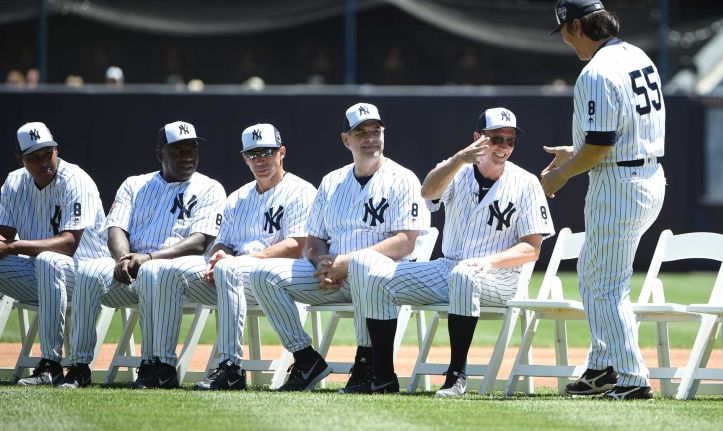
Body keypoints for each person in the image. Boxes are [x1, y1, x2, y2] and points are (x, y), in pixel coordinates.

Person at [348, 108, 554, 395]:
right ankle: (381, 376)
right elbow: (428, 192)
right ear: (477, 139)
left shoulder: (526, 182)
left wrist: (489, 262)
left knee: (464, 275)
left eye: (510, 141)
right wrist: (457, 159)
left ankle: (456, 375)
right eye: (496, 139)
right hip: (448, 267)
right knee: (377, 278)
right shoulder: (456, 170)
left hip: (501, 276)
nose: (503, 147)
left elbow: (532, 248)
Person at [248, 102, 429, 391]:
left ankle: (366, 362)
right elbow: (315, 237)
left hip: (380, 280)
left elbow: (405, 242)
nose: (370, 138)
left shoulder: (402, 178)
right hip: (332, 277)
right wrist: (321, 261)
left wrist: (346, 262)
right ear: (347, 140)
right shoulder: (332, 181)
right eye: (361, 133)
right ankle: (305, 358)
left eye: (376, 131)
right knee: (262, 274)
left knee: (364, 265)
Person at [540, 0, 666, 400]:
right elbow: (611, 135)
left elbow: (598, 145)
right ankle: (602, 365)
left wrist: (560, 174)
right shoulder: (637, 55)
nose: (563, 38)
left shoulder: (595, 71)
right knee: (596, 277)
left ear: (578, 25)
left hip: (619, 183)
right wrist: (573, 151)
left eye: (564, 30)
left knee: (606, 285)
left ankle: (631, 377)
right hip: (647, 173)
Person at [148, 123, 316, 391]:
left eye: (267, 152)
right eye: (253, 154)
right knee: (169, 271)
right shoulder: (238, 197)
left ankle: (231, 367)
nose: (260, 160)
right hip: (236, 278)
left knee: (228, 269)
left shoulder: (301, 191)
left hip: (281, 276)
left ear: (281, 152)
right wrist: (218, 255)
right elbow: (221, 241)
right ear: (244, 158)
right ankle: (162, 366)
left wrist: (235, 262)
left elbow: (296, 244)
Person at [60, 121, 226, 389]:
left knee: (152, 270)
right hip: (133, 267)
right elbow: (116, 227)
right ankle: (79, 366)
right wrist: (123, 259)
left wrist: (147, 258)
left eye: (192, 149)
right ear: (160, 154)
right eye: (179, 150)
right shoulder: (135, 184)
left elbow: (200, 242)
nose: (188, 156)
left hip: (180, 273)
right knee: (89, 270)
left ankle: (157, 365)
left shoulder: (210, 187)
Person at [0, 122, 109, 386]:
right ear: (20, 159)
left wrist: (13, 246)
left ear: (56, 150)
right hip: (41, 276)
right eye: (33, 157)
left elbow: (69, 243)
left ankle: (51, 364)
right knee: (45, 263)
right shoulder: (14, 182)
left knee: (50, 260)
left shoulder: (75, 179)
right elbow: (4, 233)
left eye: (46, 153)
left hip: (85, 273)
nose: (43, 161)